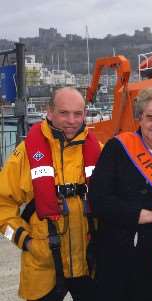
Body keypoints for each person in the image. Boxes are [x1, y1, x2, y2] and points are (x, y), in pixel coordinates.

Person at [89, 87, 152, 301]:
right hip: (114, 262)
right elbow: (98, 200)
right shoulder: (117, 148)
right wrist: (150, 215)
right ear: (140, 118)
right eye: (150, 116)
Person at [0, 87, 101, 301]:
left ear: (85, 114)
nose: (71, 120)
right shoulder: (25, 154)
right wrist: (24, 240)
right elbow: (2, 207)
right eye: (64, 113)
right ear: (49, 111)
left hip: (89, 263)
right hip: (43, 265)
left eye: (78, 113)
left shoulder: (99, 151)